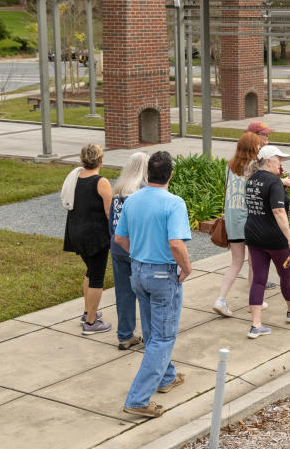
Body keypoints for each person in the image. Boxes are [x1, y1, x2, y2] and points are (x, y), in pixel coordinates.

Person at [115, 151, 192, 418]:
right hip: (163, 275)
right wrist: (186, 267)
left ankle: (166, 377)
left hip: (137, 271)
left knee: (151, 330)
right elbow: (176, 243)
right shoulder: (174, 203)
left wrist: (139, 254)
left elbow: (120, 238)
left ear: (147, 174)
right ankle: (137, 399)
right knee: (163, 337)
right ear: (171, 174)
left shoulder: (132, 200)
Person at [243, 145, 290, 339]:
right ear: (269, 161)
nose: (281, 162)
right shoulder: (273, 183)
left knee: (258, 279)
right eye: (279, 159)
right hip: (275, 238)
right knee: (286, 274)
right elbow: (278, 211)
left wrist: (283, 183)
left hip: (253, 235)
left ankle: (255, 325)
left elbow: (266, 188)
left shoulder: (252, 180)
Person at [213, 132, 269, 318]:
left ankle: (221, 299)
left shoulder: (229, 166)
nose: (260, 148)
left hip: (232, 218)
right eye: (257, 145)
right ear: (252, 148)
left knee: (236, 261)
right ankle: (255, 300)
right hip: (250, 219)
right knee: (254, 262)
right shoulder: (255, 166)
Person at [64, 143, 113, 335]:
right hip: (95, 237)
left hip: (76, 232)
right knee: (97, 278)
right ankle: (91, 323)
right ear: (101, 159)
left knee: (90, 271)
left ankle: (87, 312)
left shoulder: (76, 177)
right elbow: (110, 213)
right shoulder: (101, 182)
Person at [108, 152, 148, 351]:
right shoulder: (142, 192)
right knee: (145, 293)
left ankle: (124, 335)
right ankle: (150, 335)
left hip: (117, 247)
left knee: (123, 293)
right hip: (137, 248)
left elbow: (111, 223)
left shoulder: (118, 191)